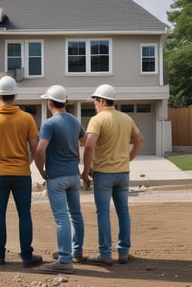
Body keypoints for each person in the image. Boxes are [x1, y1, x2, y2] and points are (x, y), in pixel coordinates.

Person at [0, 75, 42, 268]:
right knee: (24, 214)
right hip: (21, 174)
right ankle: (27, 257)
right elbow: (35, 146)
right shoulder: (27, 118)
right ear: (15, 95)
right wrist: (28, 162)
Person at [81, 84, 144, 266]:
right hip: (122, 173)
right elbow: (139, 141)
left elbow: (90, 145)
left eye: (95, 100)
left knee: (103, 213)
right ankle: (123, 253)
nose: (94, 104)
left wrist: (86, 171)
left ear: (101, 100)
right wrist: (128, 158)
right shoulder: (126, 118)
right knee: (123, 212)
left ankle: (105, 254)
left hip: (103, 174)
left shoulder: (97, 119)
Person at [34, 85, 86, 274]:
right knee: (76, 214)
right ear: (65, 101)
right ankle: (76, 251)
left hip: (57, 176)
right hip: (73, 174)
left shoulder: (49, 124)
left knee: (62, 218)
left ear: (49, 102)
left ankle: (65, 260)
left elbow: (40, 150)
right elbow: (85, 141)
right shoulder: (74, 121)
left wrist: (41, 170)